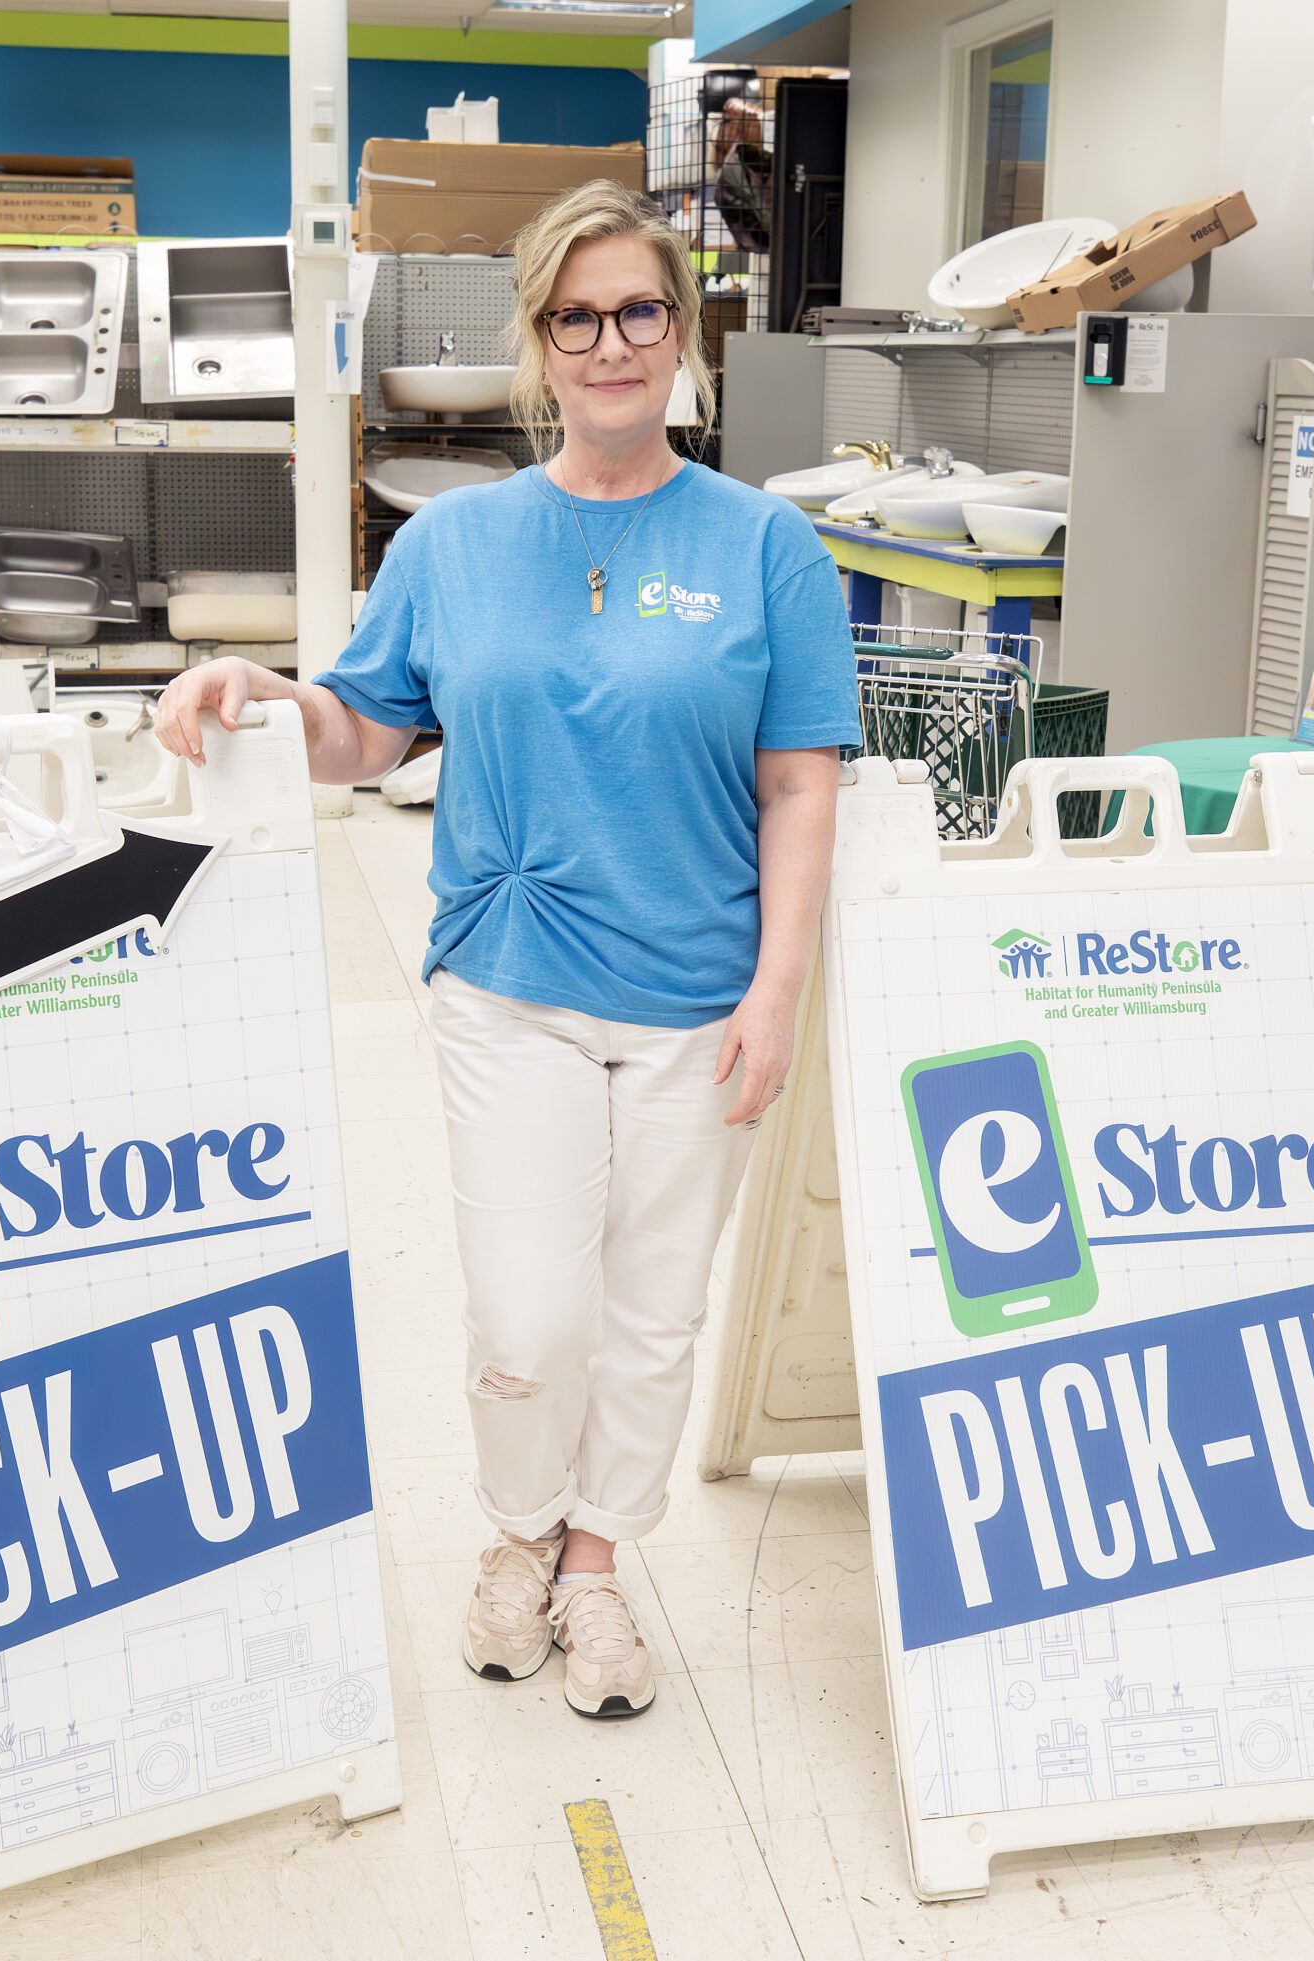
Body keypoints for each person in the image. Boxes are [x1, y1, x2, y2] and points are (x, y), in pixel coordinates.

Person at [153, 177, 855, 1720]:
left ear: (682, 333)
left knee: (654, 1312)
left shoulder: (764, 548)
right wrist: (264, 691)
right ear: (540, 344)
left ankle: (595, 1565)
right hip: (510, 979)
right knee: (533, 1308)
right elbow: (364, 727)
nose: (611, 343)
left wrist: (779, 990)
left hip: (698, 996)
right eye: (577, 317)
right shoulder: (456, 543)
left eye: (641, 312)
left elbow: (802, 773)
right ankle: (518, 1529)